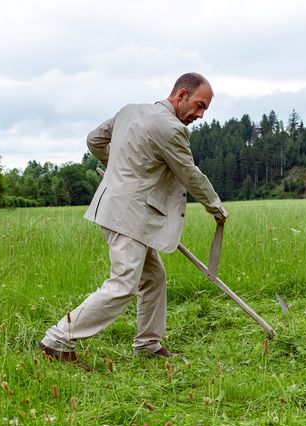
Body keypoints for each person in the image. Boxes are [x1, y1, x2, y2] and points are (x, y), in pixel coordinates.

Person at [39, 73, 228, 369]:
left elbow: (94, 140)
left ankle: (148, 343)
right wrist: (215, 206)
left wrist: (118, 167)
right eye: (199, 105)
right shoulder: (170, 128)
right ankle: (57, 339)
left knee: (153, 277)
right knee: (124, 284)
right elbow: (188, 173)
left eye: (205, 110)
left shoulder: (130, 111)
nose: (200, 115)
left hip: (122, 210)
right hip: (128, 214)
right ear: (181, 95)